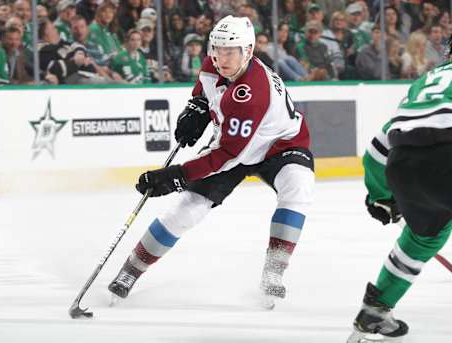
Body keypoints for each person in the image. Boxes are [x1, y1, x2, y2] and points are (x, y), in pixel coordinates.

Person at [108, 15, 315, 309]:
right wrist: (197, 107)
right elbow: (205, 91)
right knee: (188, 209)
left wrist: (176, 175)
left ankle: (274, 271)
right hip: (235, 142)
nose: (221, 57)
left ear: (249, 51)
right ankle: (130, 270)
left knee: (298, 187)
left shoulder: (251, 94)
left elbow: (227, 156)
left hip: (279, 144)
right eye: (216, 49)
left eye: (230, 51)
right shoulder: (211, 64)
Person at [347, 35, 452, 343]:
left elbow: (377, 151)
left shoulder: (426, 83)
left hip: (404, 166)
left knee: (423, 237)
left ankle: (375, 311)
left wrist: (381, 197)